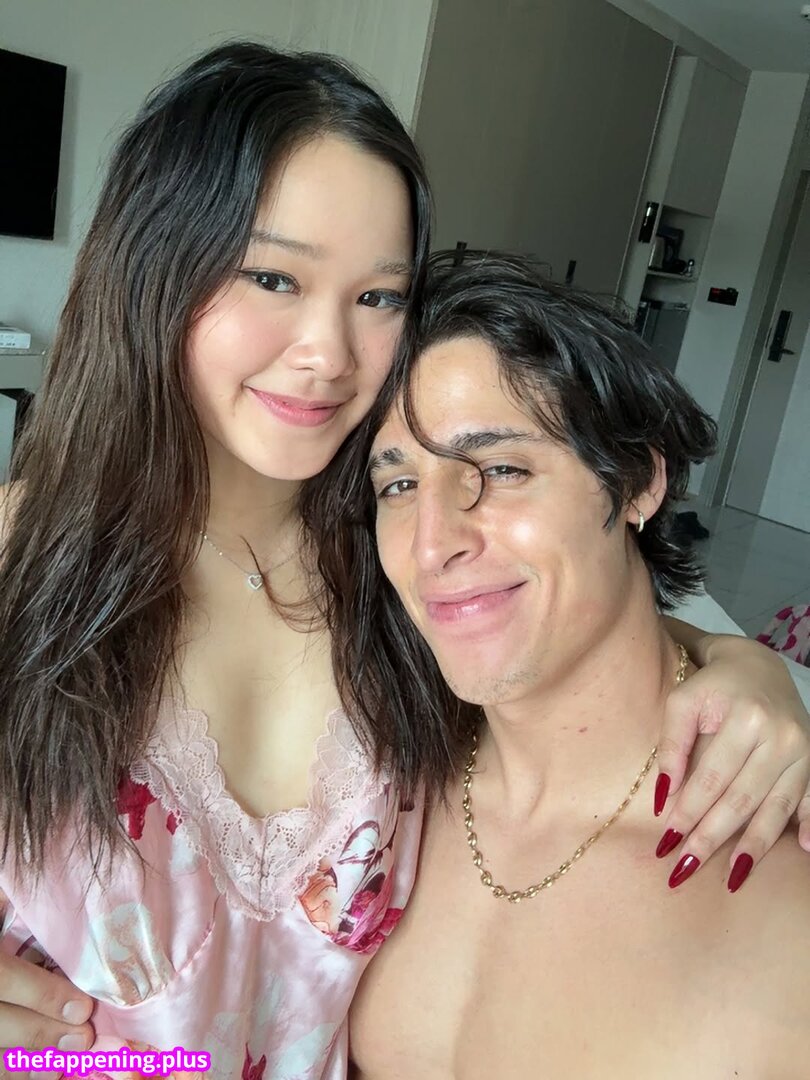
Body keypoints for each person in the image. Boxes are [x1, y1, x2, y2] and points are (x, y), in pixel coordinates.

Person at [0, 45, 807, 1080]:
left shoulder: (392, 561)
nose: (329, 353)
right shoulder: (25, 560)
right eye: (274, 277)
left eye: (379, 296)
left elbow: (568, 612)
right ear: (157, 267)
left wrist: (748, 669)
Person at [305, 252, 810, 1077]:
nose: (432, 546)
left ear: (637, 481)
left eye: (501, 469)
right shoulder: (373, 791)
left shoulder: (785, 901)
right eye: (398, 487)